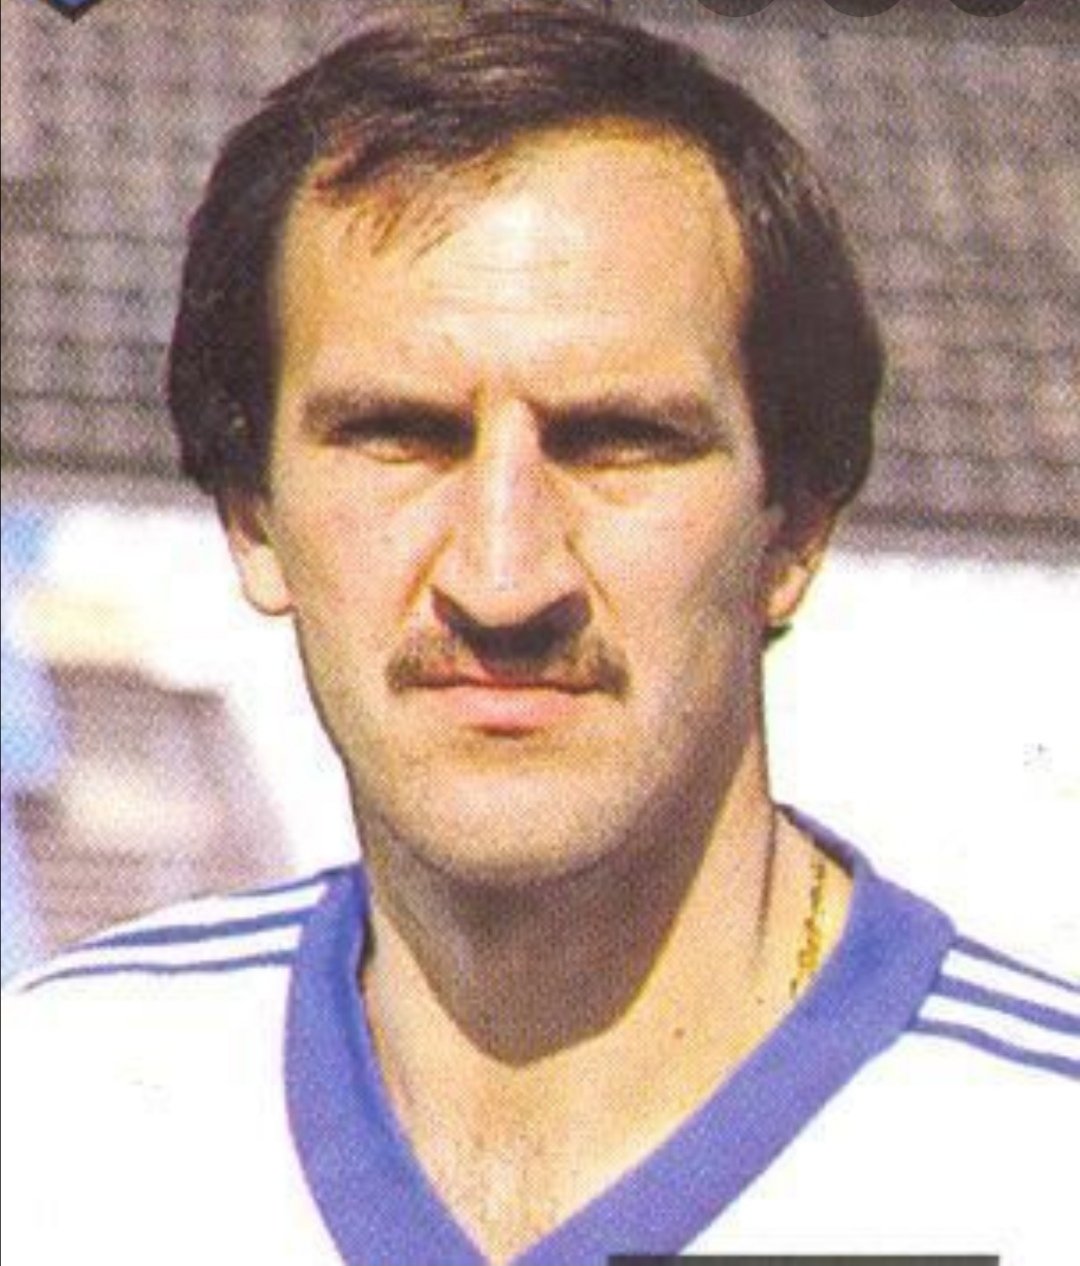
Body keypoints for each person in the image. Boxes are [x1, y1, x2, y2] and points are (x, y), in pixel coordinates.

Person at [2, 7, 1076, 1265]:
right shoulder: (52, 1126)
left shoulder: (1042, 1170)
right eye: (401, 436)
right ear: (252, 516)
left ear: (793, 527)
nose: (503, 580)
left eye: (617, 441)